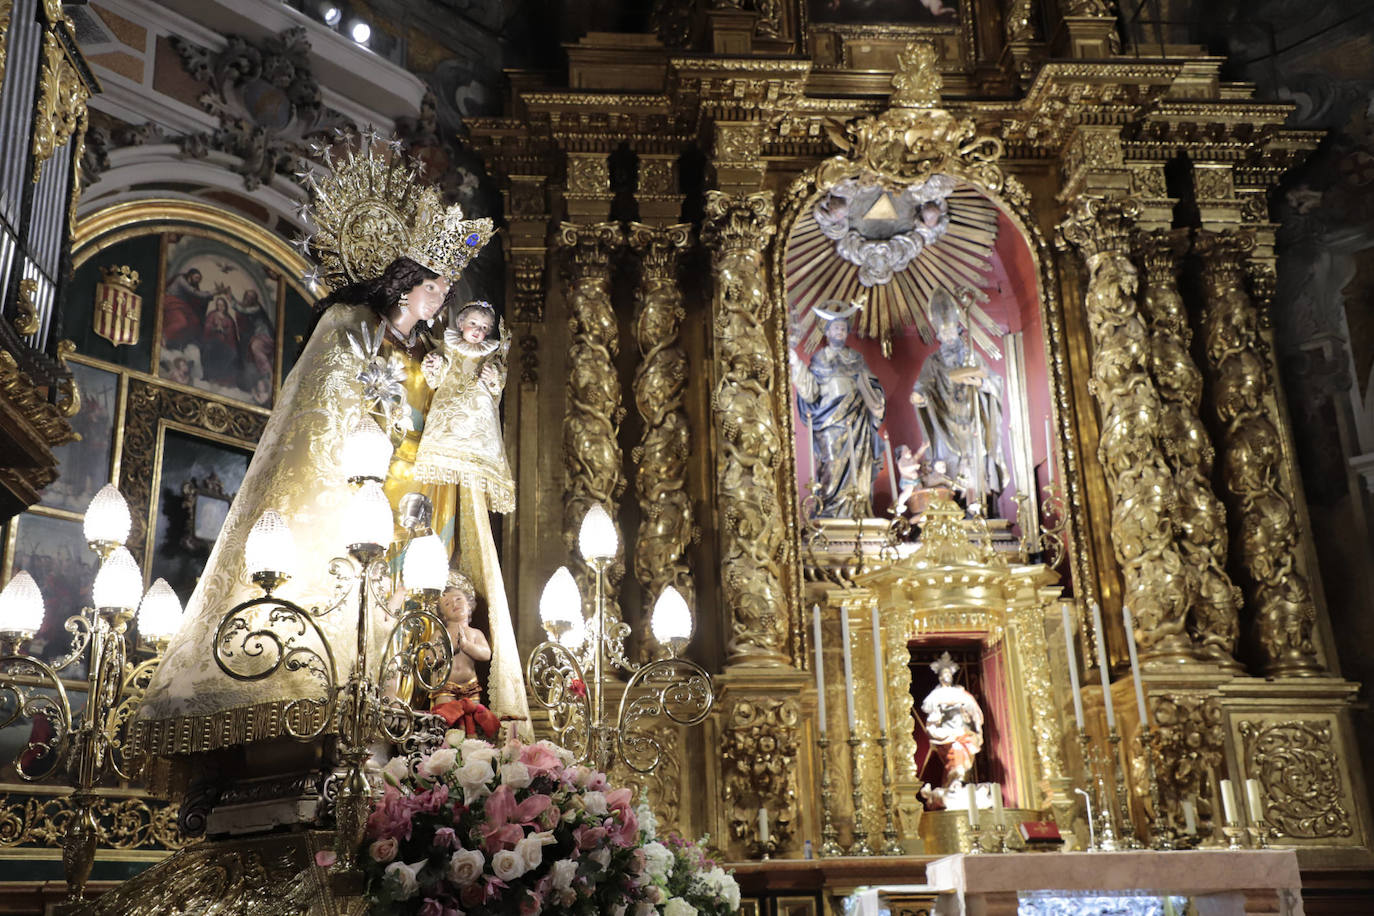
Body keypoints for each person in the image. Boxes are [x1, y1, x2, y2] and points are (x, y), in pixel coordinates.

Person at [133, 252, 518, 775]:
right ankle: (345, 696)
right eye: (434, 288)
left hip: (428, 484)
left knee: (415, 596)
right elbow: (321, 411)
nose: (442, 300)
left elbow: (462, 409)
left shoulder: (437, 349)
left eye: (447, 292)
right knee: (360, 590)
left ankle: (412, 699)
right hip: (364, 482)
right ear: (405, 288)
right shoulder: (352, 328)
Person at [412, 301, 524, 729]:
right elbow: (435, 376)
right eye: (472, 324)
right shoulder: (440, 631)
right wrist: (437, 365)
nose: (477, 331)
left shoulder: (470, 631)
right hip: (444, 694)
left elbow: (484, 654)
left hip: (472, 693)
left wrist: (493, 382)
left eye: (484, 326)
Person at [910, 289, 1008, 508]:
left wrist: (980, 383)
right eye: (943, 333)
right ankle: (953, 507)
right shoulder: (933, 362)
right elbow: (923, 385)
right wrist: (920, 397)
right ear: (938, 336)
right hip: (945, 423)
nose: (948, 337)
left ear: (958, 330)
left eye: (951, 331)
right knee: (948, 465)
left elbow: (996, 382)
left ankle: (981, 508)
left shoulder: (972, 356)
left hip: (972, 419)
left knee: (975, 462)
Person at [790, 315, 886, 517]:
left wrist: (876, 401)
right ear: (827, 332)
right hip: (829, 421)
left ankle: (857, 511)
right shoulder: (819, 359)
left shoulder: (856, 359)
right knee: (832, 464)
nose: (840, 332)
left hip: (856, 419)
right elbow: (810, 391)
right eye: (835, 328)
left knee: (858, 465)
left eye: (843, 329)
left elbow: (871, 386)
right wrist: (796, 364)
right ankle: (830, 510)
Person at [427, 570, 498, 739]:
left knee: (472, 723)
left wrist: (467, 646)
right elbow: (430, 658)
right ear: (442, 614)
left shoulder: (475, 633)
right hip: (446, 687)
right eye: (447, 603)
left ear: (469, 604)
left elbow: (486, 654)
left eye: (458, 599)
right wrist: (450, 647)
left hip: (471, 687)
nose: (454, 604)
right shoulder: (439, 634)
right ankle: (448, 750)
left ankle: (470, 752)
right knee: (446, 724)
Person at [920, 652, 984, 791]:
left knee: (965, 757)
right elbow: (928, 709)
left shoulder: (960, 692)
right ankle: (954, 783)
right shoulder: (936, 695)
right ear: (940, 676)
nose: (947, 676)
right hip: (948, 733)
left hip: (963, 730)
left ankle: (960, 783)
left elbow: (974, 711)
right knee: (955, 754)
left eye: (949, 673)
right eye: (945, 673)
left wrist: (977, 730)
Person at [161, 268, 218, 349]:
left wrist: (208, 297)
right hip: (171, 302)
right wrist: (212, 292)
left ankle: (181, 342)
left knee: (195, 321)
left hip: (181, 306)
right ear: (190, 275)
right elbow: (194, 293)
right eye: (196, 277)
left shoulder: (192, 285)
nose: (197, 280)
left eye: (199, 279)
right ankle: (163, 337)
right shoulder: (181, 279)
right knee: (182, 322)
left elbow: (198, 300)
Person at [199, 297, 239, 386]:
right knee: (208, 350)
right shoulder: (212, 315)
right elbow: (207, 327)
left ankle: (218, 377)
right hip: (212, 341)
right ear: (217, 306)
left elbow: (232, 333)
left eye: (222, 305)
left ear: (225, 306)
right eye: (219, 305)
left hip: (224, 344)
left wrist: (224, 331)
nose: (221, 307)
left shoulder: (229, 319)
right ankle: (207, 375)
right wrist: (215, 328)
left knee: (231, 354)